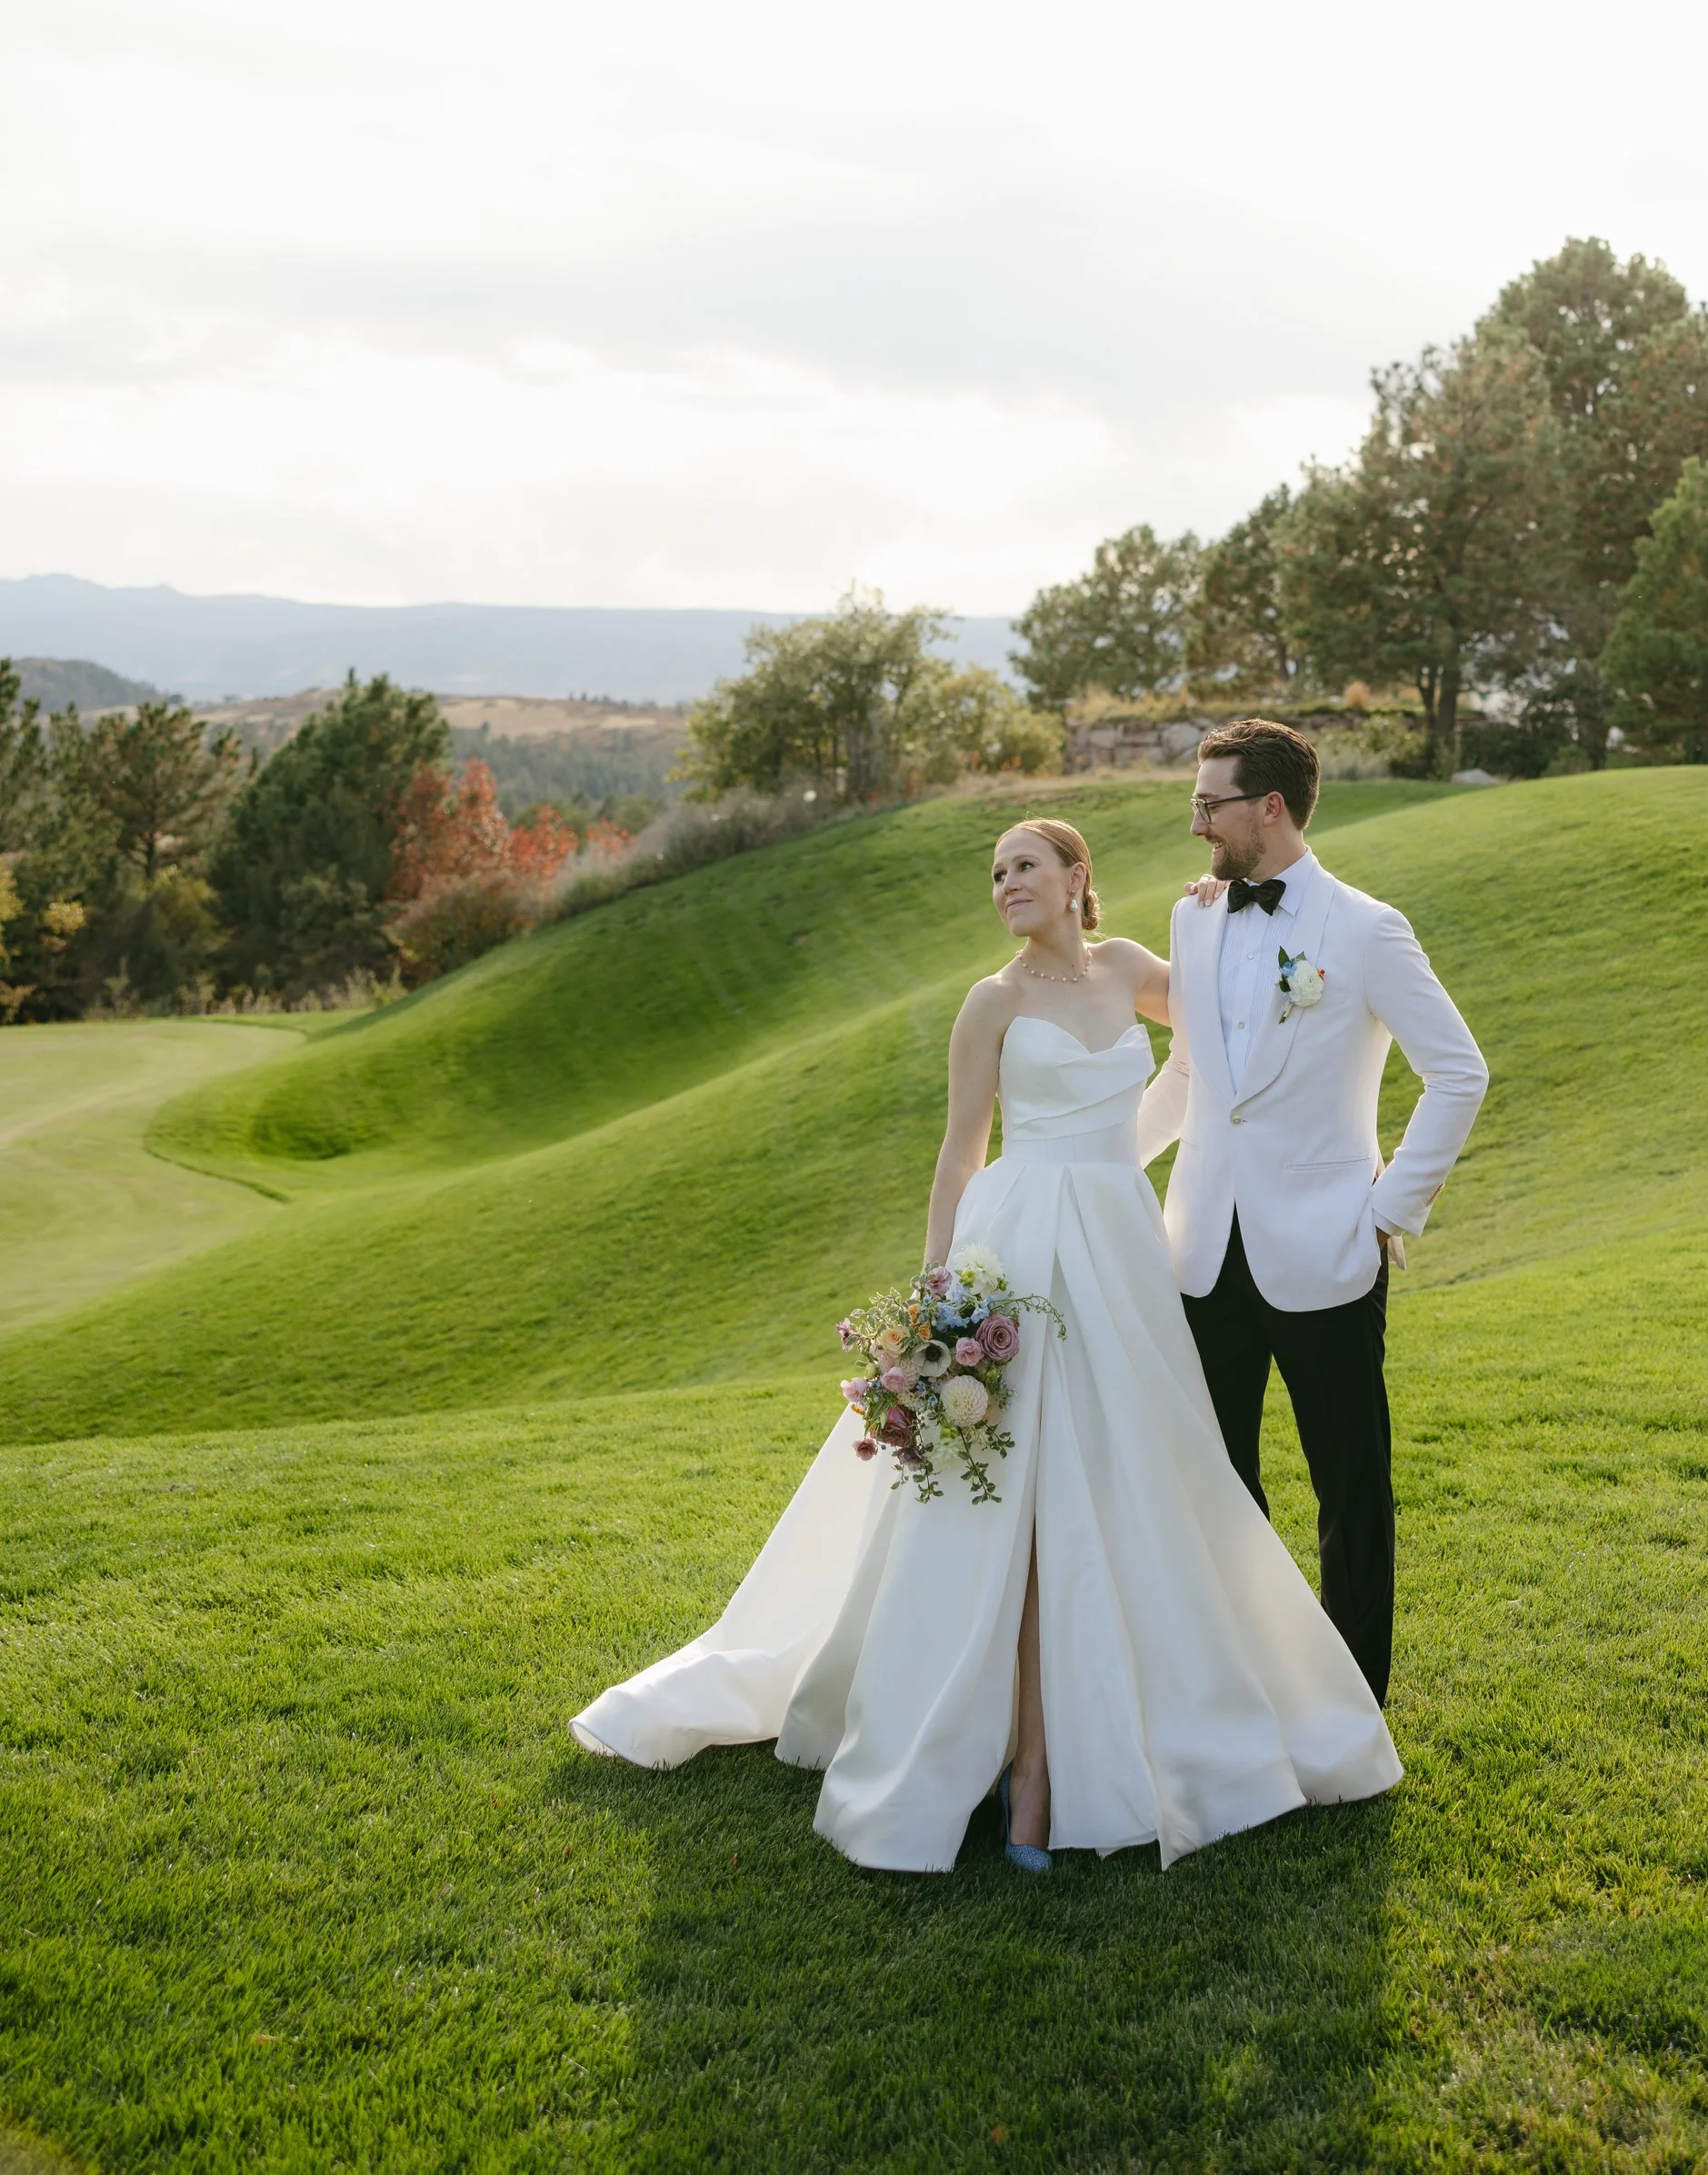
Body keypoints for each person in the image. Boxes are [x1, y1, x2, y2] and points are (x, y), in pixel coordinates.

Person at [570, 813, 1400, 1872]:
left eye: (1024, 864)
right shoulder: (992, 1002)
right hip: (1018, 1248)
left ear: (1075, 875)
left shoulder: (1133, 966)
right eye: (995, 870)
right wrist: (930, 1302)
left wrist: (1218, 945)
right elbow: (959, 1154)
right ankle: (1024, 1764)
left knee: (1132, 1470)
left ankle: (1131, 1723)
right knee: (1009, 1492)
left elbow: (1233, 1040)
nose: (1006, 881)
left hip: (1122, 1244)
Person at [1142, 718, 1489, 1701]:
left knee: (1349, 1484)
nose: (1196, 824)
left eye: (1209, 805)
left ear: (1270, 808)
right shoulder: (1193, 919)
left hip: (1329, 1248)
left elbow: (1459, 1072)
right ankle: (1246, 1683)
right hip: (1201, 1249)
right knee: (1215, 1484)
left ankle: (1352, 1704)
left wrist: (1388, 1209)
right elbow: (1188, 1075)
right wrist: (1085, 1168)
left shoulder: (1366, 929)